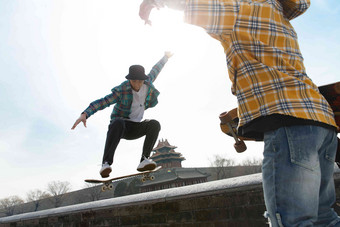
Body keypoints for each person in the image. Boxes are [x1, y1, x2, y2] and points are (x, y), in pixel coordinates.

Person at [139, 0, 339, 226]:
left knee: (292, 220)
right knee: (325, 217)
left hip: (288, 123)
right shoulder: (277, 12)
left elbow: (194, 6)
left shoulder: (240, 8)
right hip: (322, 122)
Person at [72, 52, 173, 178]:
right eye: (134, 81)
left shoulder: (148, 83)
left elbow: (156, 69)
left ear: (143, 80)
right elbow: (103, 101)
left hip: (136, 127)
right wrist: (85, 114)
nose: (137, 84)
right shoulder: (122, 90)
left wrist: (166, 57)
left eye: (140, 81)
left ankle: (144, 159)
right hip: (121, 127)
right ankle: (106, 163)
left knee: (154, 124)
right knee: (118, 122)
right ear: (130, 80)